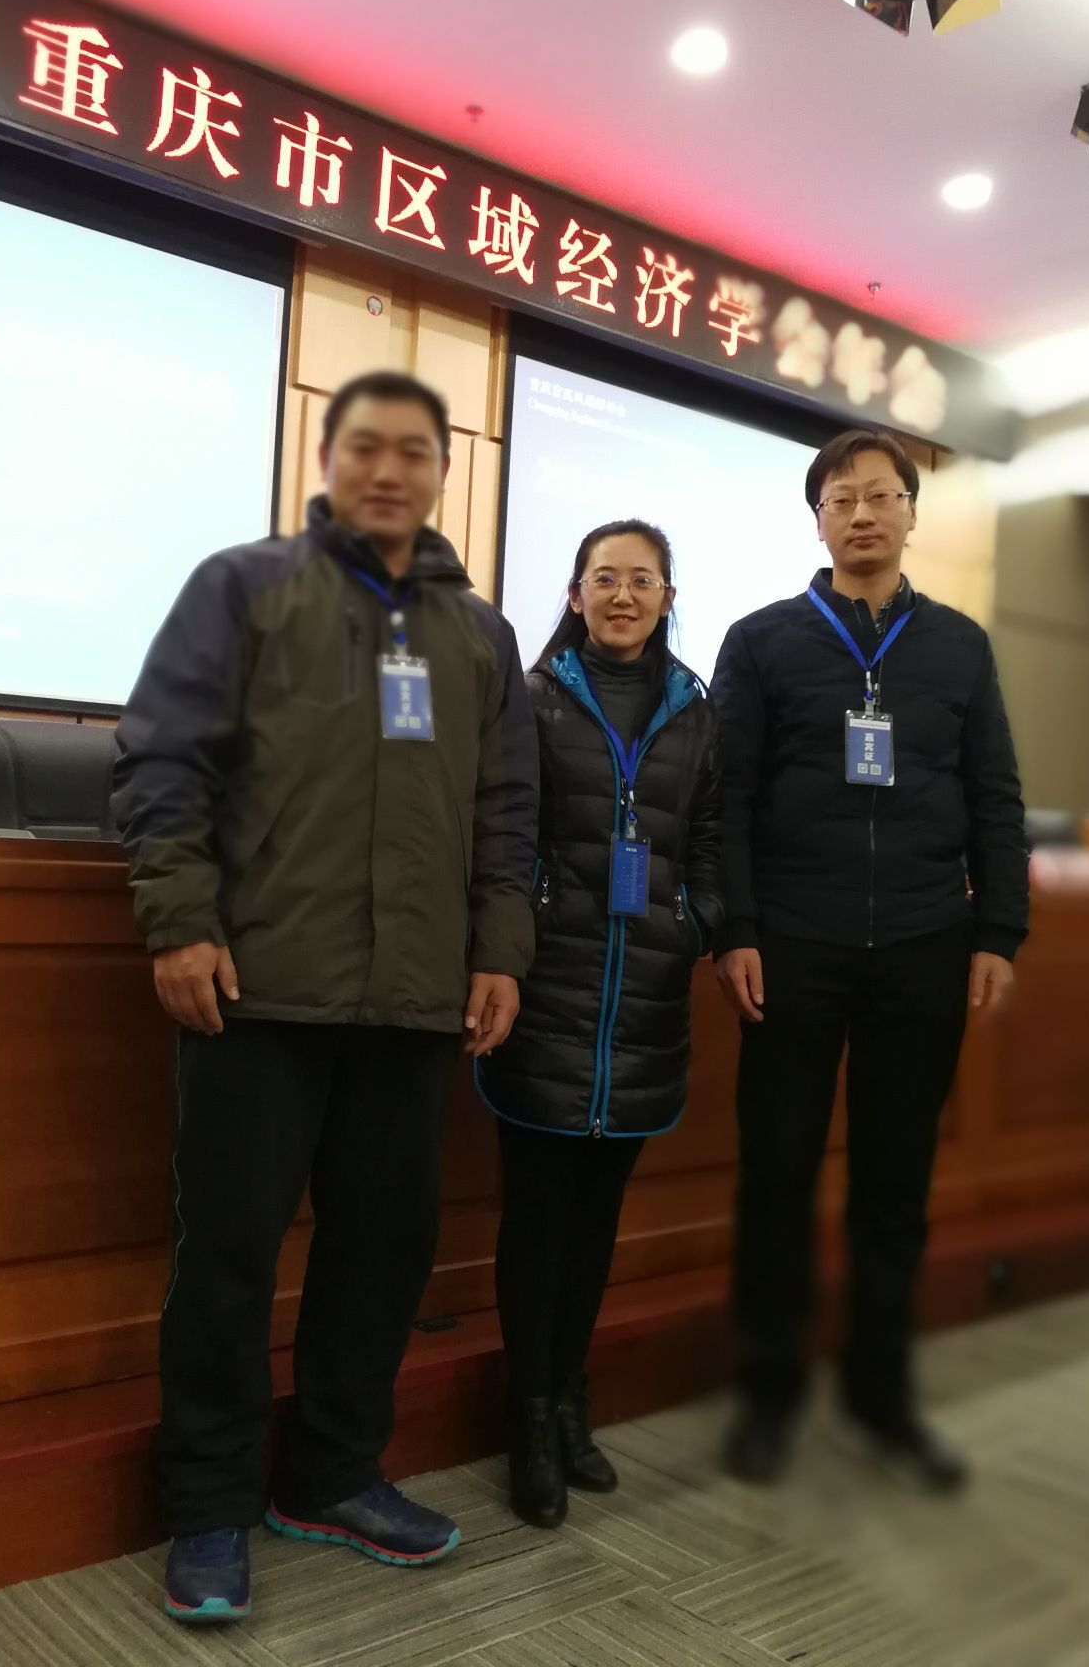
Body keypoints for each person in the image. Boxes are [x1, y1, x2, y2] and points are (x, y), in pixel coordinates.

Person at [112, 369, 538, 1624]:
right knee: (228, 1257)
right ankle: (206, 1502)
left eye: (415, 450)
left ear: (445, 470)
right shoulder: (242, 588)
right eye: (366, 446)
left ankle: (332, 1473)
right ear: (326, 456)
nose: (390, 470)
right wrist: (182, 922)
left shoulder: (481, 635)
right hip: (256, 990)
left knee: (383, 1252)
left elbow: (507, 810)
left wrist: (500, 949)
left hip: (415, 1002)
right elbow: (162, 763)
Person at [711, 428, 1028, 1493]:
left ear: (910, 515)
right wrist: (735, 930)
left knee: (896, 1184)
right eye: (841, 498)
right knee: (778, 1176)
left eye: (881, 496)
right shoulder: (762, 641)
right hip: (792, 945)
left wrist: (999, 931)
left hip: (926, 944)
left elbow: (995, 795)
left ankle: (882, 1396)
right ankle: (768, 1396)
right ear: (818, 520)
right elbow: (727, 801)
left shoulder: (959, 646)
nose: (862, 513)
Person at [477, 519, 721, 1529]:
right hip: (547, 991)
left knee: (595, 1224)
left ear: (668, 597)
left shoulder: (699, 709)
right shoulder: (531, 699)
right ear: (575, 594)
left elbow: (714, 838)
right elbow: (499, 830)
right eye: (605, 578)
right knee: (538, 1221)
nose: (624, 595)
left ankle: (571, 1400)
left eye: (642, 580)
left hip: (646, 1001)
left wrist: (691, 919)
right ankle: (530, 1420)